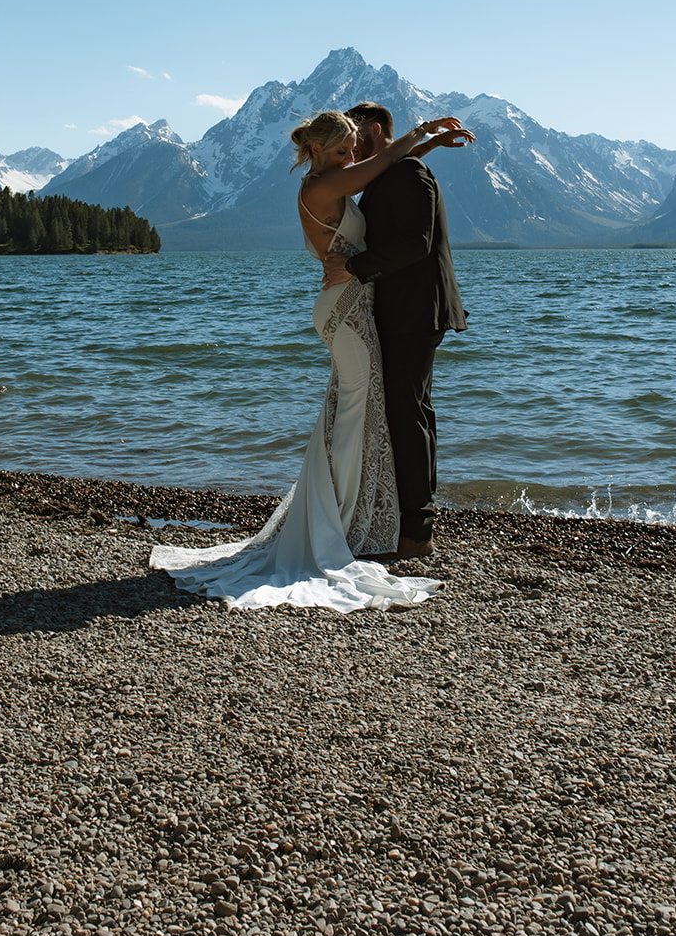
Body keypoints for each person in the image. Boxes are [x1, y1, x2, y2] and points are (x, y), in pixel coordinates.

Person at [149, 108, 466, 612]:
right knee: (358, 409)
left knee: (357, 409)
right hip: (345, 309)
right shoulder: (324, 185)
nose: (351, 158)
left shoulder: (342, 178)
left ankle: (350, 518)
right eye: (343, 149)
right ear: (320, 151)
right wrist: (422, 133)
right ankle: (339, 524)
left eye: (353, 149)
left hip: (356, 308)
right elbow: (380, 165)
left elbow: (383, 165)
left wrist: (424, 146)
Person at [322, 101, 469, 559]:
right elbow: (394, 173)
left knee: (409, 413)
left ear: (377, 128)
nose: (349, 139)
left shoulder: (407, 173)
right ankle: (404, 522)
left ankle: (417, 532)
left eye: (356, 130)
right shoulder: (392, 171)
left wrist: (353, 266)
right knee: (407, 411)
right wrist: (431, 143)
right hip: (398, 309)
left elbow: (416, 243)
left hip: (415, 311)